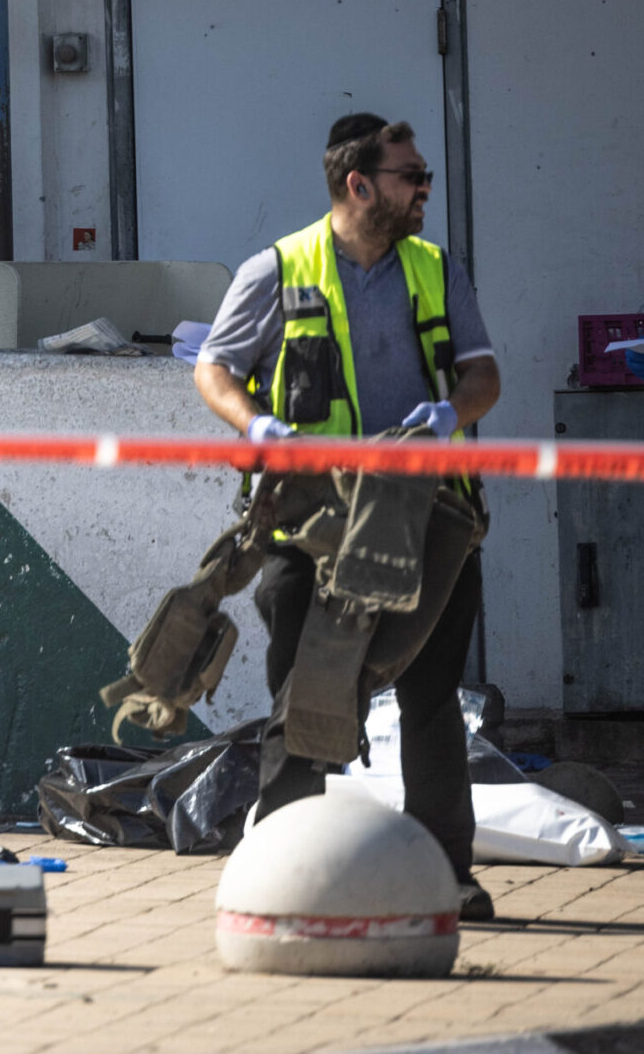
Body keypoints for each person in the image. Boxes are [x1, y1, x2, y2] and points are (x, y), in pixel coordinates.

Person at [195, 112, 501, 919]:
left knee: (432, 698)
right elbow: (214, 368)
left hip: (428, 516)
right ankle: (284, 877)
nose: (425, 188)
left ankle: (445, 877)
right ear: (359, 185)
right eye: (411, 176)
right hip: (312, 521)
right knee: (306, 694)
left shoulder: (435, 268)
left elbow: (484, 374)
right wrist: (257, 425)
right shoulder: (277, 269)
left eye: (423, 175)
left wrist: (449, 413)